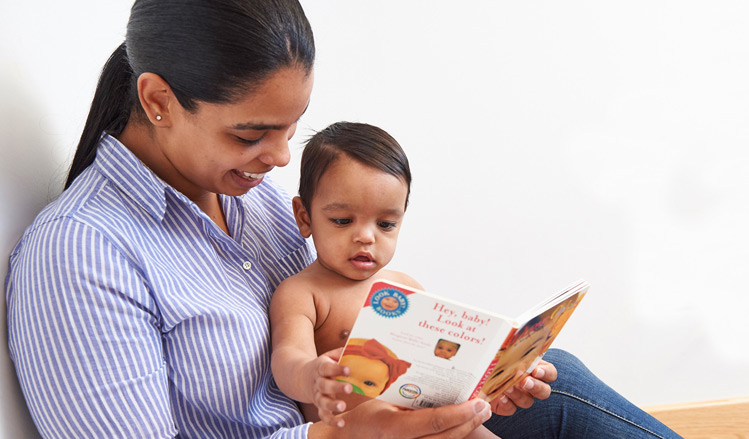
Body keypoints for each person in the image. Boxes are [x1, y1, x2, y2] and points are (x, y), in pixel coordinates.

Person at [3, 1, 683, 438]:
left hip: (365, 422)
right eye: (250, 134)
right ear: (157, 100)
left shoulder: (253, 199)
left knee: (550, 376)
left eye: (292, 127)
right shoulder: (80, 255)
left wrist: (471, 371)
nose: (278, 158)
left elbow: (360, 333)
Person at [269, 122, 498, 439]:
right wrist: (312, 375)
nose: (365, 236)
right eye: (343, 220)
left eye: (386, 224)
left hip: (424, 420)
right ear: (304, 217)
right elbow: (287, 357)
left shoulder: (405, 286)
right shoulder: (303, 293)